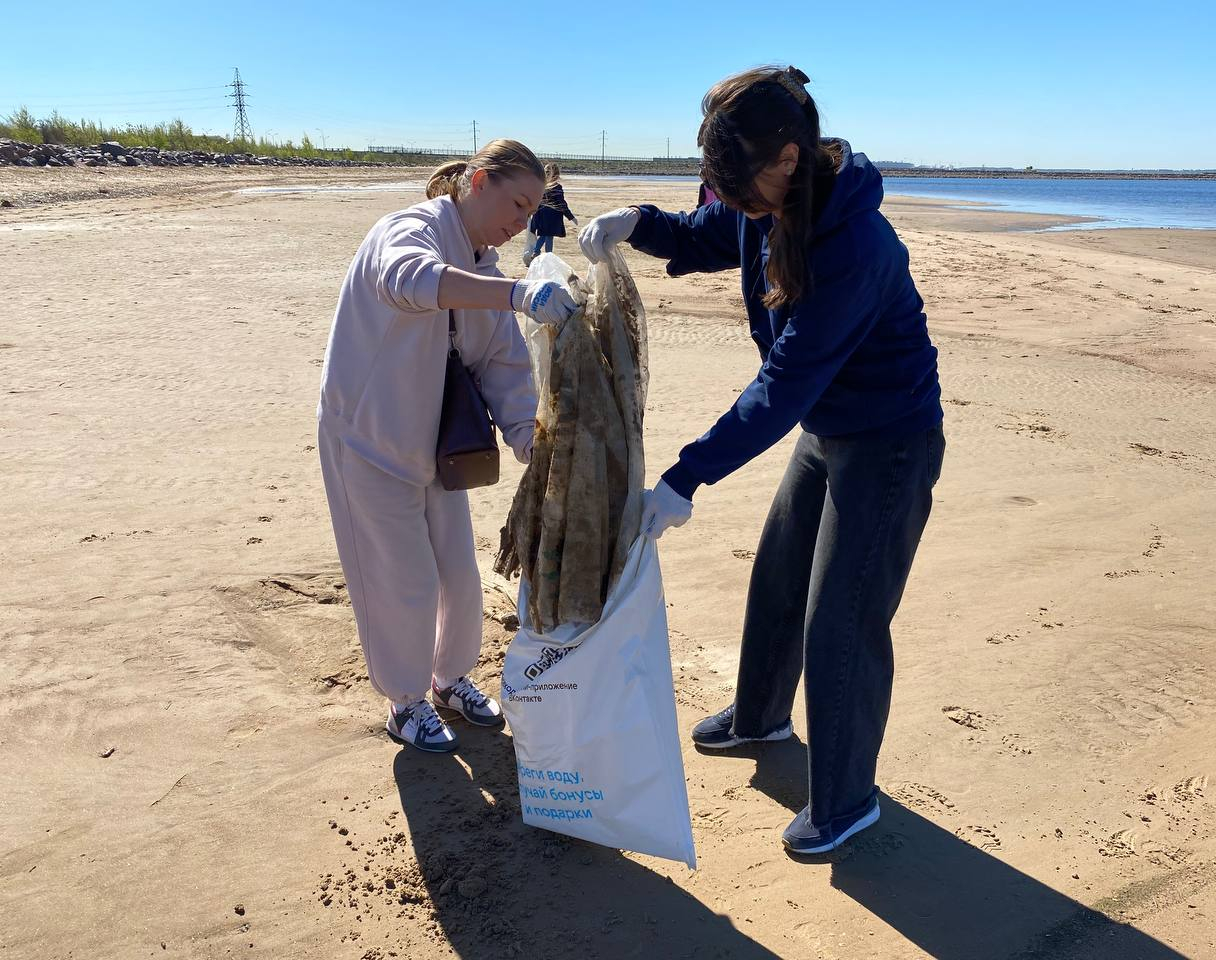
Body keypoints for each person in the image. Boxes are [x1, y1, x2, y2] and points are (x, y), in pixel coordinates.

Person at [578, 66, 944, 855]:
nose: (734, 206)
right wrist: (637, 223)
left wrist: (685, 476)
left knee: (841, 618)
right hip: (829, 429)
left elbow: (782, 385)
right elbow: (703, 232)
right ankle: (761, 717)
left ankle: (846, 802)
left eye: (740, 190)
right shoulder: (761, 202)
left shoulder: (855, 246)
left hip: (890, 440)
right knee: (778, 575)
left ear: (787, 158)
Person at [318, 140, 579, 754]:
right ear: (478, 181)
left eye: (531, 210)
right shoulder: (409, 230)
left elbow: (503, 367)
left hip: (436, 448)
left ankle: (449, 678)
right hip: (368, 440)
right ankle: (404, 700)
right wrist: (516, 294)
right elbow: (407, 281)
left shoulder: (483, 265)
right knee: (401, 579)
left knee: (458, 576)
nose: (522, 222)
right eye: (517, 204)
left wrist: (530, 443)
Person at [527, 162, 577, 259]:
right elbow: (561, 203)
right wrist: (571, 217)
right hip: (552, 216)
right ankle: (547, 256)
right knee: (549, 236)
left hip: (539, 215)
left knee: (543, 234)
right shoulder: (556, 187)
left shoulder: (540, 185)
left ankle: (536, 252)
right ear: (557, 174)